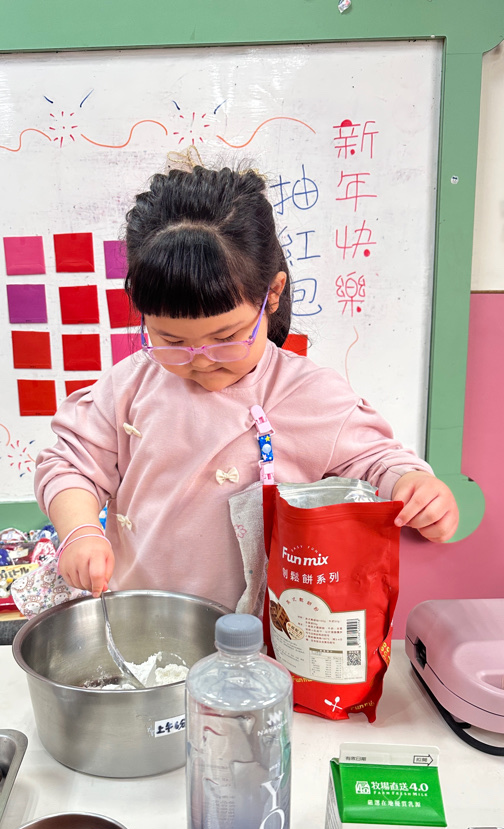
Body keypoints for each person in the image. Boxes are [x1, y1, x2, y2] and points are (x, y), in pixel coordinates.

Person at [35, 166, 458, 610]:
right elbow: (71, 465)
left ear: (271, 294)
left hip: (267, 632)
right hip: (146, 616)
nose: (200, 359)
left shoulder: (308, 394)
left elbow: (377, 462)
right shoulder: (129, 387)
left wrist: (415, 487)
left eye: (226, 337)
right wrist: (80, 530)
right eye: (172, 341)